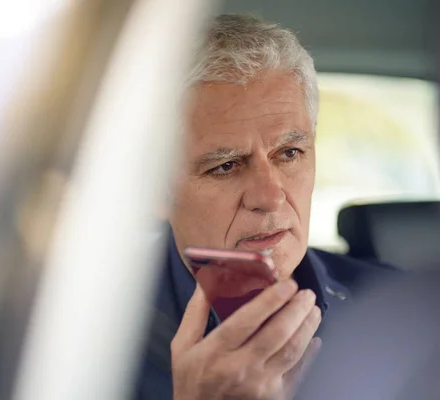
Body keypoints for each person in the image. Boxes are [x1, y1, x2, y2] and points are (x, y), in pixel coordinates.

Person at [133, 14, 396, 400]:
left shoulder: (401, 311)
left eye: (290, 153)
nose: (271, 197)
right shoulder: (69, 342)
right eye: (225, 165)